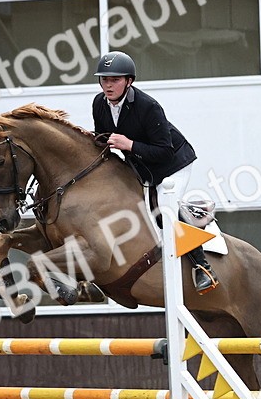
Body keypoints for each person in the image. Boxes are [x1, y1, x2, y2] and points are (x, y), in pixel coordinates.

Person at [91, 51, 217, 293]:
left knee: (163, 209)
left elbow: (164, 151)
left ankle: (202, 267)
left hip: (172, 164)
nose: (108, 85)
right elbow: (103, 139)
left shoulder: (148, 107)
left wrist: (130, 145)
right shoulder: (99, 103)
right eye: (104, 79)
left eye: (115, 80)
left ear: (129, 81)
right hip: (142, 167)